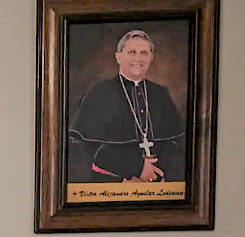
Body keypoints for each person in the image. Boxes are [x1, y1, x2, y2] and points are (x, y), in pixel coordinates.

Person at [67, 30, 186, 183]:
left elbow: (175, 144)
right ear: (118, 57)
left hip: (158, 183)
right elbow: (88, 148)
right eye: (132, 52)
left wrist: (156, 173)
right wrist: (136, 169)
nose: (138, 58)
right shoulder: (100, 92)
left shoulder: (160, 94)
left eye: (144, 53)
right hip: (112, 182)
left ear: (151, 58)